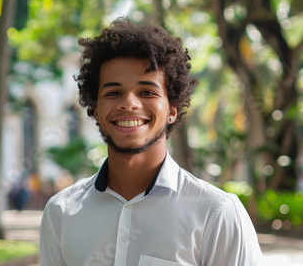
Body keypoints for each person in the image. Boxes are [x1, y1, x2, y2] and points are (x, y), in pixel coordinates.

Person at [40, 18, 263, 266]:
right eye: (113, 93)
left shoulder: (217, 213)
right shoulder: (61, 212)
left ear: (172, 109)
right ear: (95, 108)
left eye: (147, 92)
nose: (129, 103)